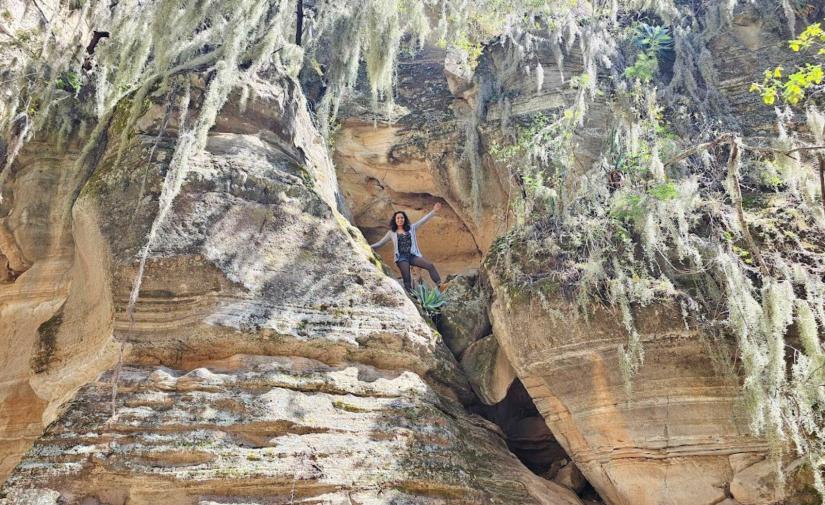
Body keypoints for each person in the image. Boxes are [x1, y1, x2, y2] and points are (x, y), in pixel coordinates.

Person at [370, 202, 443, 292]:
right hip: (401, 257)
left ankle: (440, 285)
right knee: (407, 276)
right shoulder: (391, 233)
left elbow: (423, 220)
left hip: (412, 255)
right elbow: (380, 243)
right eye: (398, 218)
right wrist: (367, 246)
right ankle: (412, 297)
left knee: (430, 266)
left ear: (404, 219)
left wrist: (433, 211)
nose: (400, 219)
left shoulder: (411, 228)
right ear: (395, 220)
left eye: (402, 218)